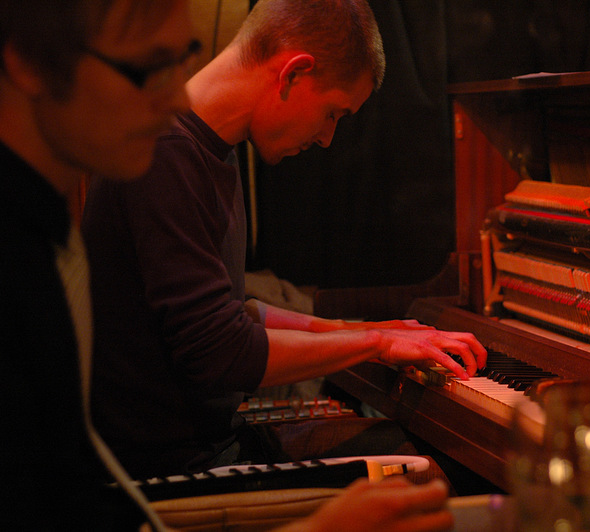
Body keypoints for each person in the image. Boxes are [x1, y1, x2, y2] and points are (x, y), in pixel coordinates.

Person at [82, 0, 487, 483]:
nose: (328, 138)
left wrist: (357, 330)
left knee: (407, 447)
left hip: (214, 445)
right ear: (293, 73)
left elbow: (235, 312)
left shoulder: (210, 148)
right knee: (431, 475)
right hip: (174, 471)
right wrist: (375, 342)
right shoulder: (165, 155)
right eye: (333, 112)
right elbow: (221, 353)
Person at [0, 0, 196, 529]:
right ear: (29, 62)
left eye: (185, 59)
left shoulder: (44, 223)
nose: (180, 99)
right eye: (150, 68)